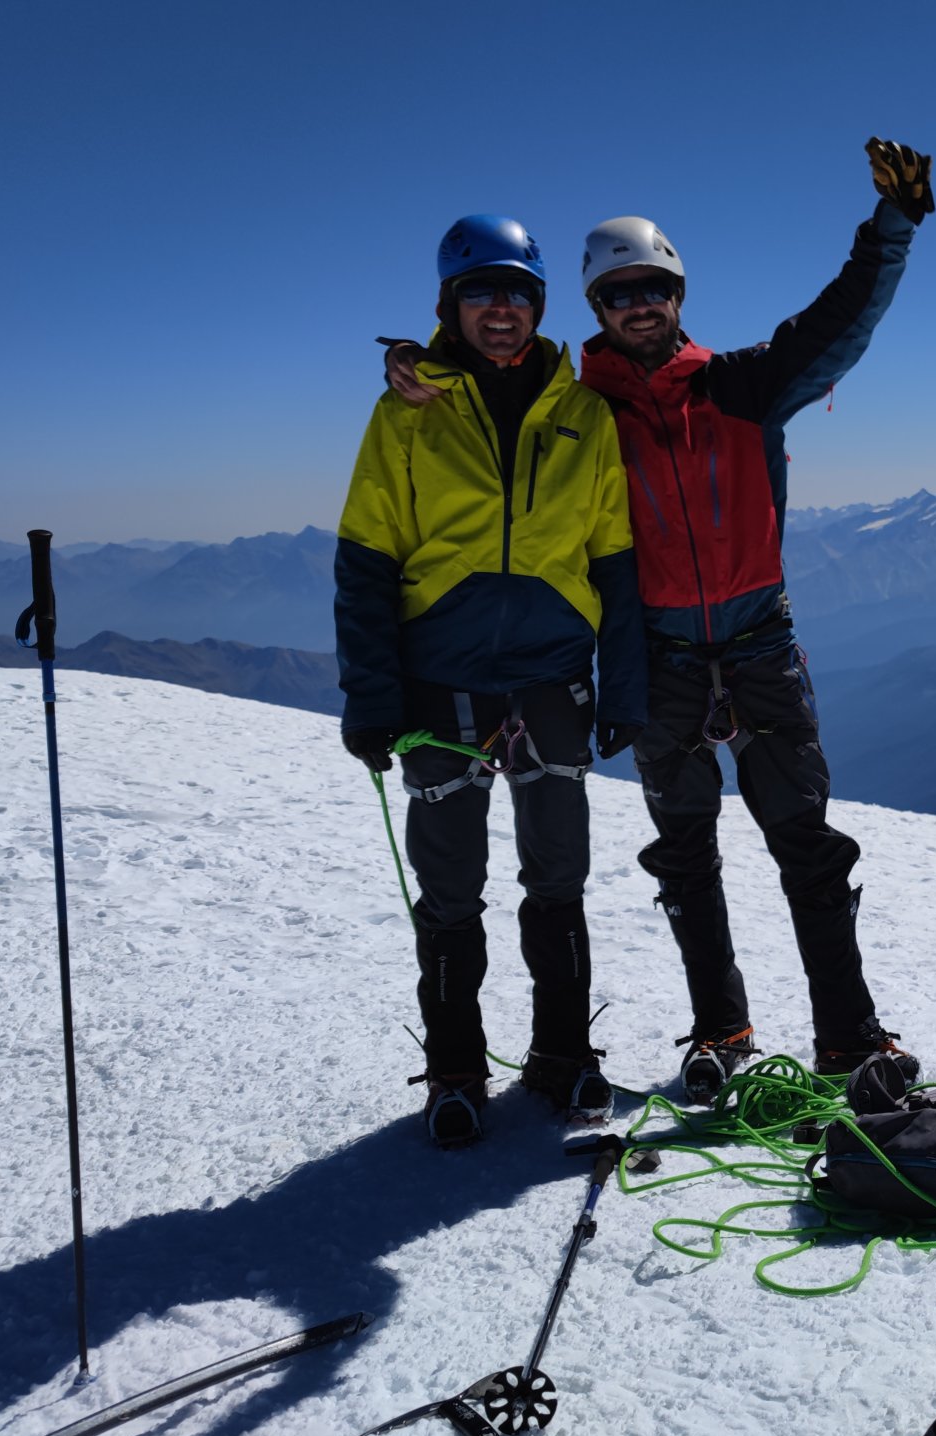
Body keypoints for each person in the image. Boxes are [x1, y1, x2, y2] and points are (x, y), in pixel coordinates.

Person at [385, 139, 934, 1104]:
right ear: (596, 309)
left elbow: (844, 321)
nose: (639, 304)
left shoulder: (744, 383)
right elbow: (489, 378)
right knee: (687, 856)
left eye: (654, 287)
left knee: (805, 844)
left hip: (759, 645)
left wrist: (891, 227)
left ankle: (848, 1037)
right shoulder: (579, 407)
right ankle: (720, 1030)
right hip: (664, 662)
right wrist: (416, 366)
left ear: (678, 293)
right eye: (618, 294)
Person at [337, 214, 645, 1145]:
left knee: (559, 881)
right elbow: (368, 560)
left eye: (516, 292)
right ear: (450, 306)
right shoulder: (404, 413)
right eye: (481, 292)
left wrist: (623, 685)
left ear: (540, 305)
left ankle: (561, 1056)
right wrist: (372, 696)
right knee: (449, 891)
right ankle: (457, 1069)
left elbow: (615, 559)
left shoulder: (582, 414)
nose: (499, 309)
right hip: (444, 680)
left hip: (553, 678)